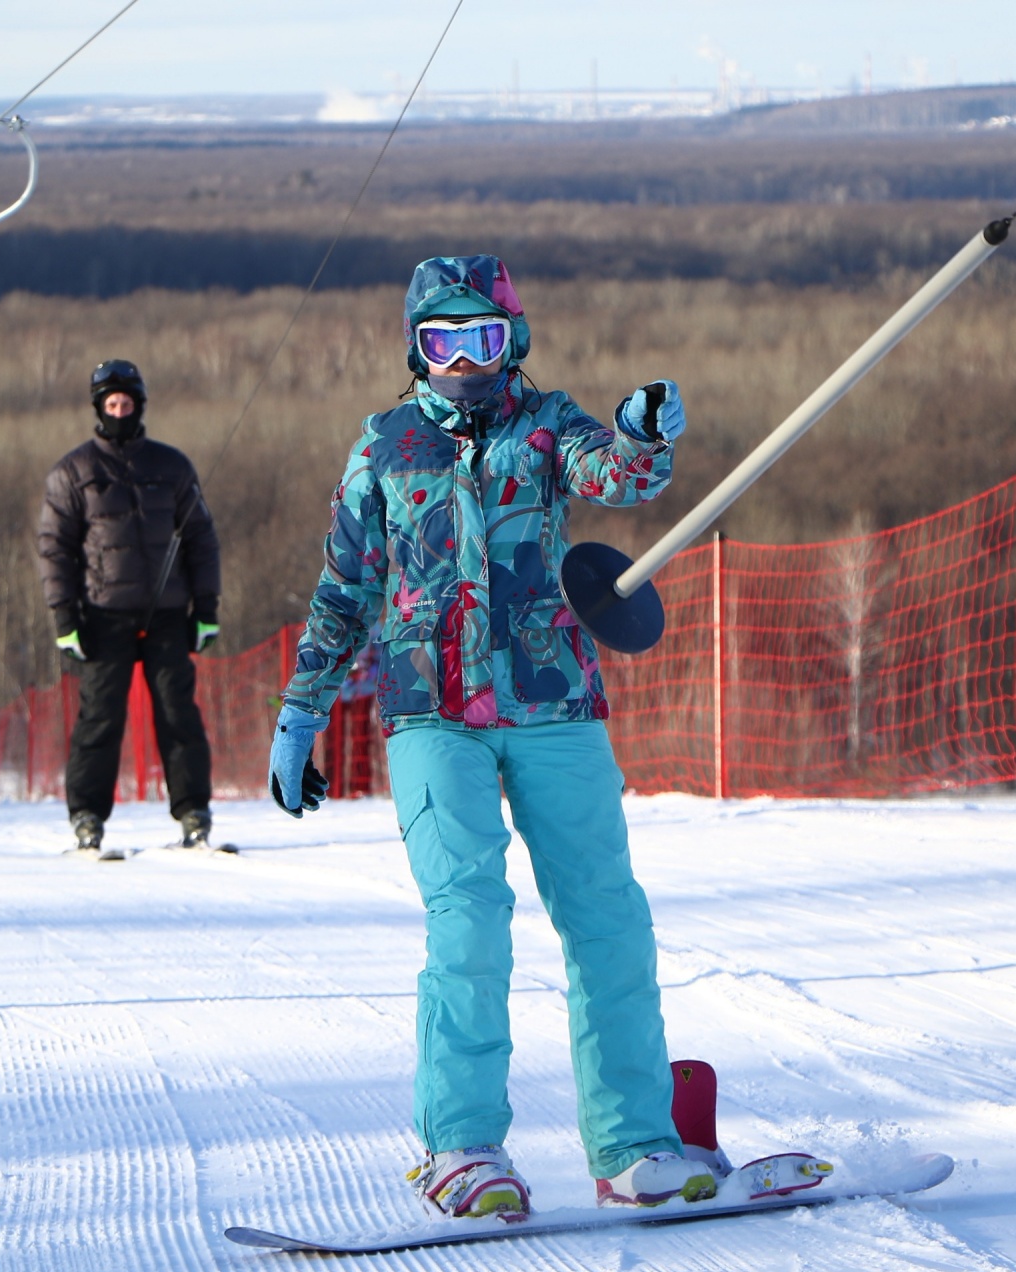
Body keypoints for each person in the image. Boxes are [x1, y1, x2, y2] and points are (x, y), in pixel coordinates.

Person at [268, 255, 703, 1220]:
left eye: (483, 339)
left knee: (608, 919)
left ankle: (635, 1143)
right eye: (442, 342)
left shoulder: (547, 427)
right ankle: (461, 1146)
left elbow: (617, 470)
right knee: (467, 919)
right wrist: (305, 706)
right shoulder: (384, 447)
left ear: (514, 342)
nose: (463, 362)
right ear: (416, 348)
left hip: (551, 702)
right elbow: (345, 589)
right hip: (430, 711)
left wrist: (639, 430)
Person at [36, 359, 222, 852]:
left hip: (167, 614)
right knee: (100, 719)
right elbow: (55, 550)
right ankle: (87, 817)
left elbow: (201, 538)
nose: (120, 411)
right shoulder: (73, 472)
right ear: (99, 409)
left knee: (178, 714)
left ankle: (193, 813)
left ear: (140, 405)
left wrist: (207, 608)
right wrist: (65, 618)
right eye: (111, 404)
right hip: (102, 617)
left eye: (128, 403)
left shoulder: (171, 466)